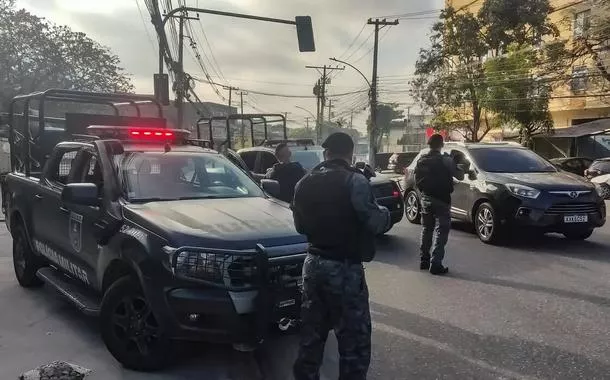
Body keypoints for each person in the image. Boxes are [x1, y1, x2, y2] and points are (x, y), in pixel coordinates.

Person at [291, 132, 391, 380]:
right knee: (354, 343)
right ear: (350, 153)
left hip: (312, 266)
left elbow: (300, 227)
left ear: (326, 154)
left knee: (311, 338)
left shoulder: (304, 183)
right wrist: (385, 211)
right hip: (344, 269)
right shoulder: (355, 181)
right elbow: (375, 222)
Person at [414, 134, 466, 275]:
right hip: (442, 200)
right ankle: (435, 264)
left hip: (426, 198)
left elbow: (416, 179)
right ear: (441, 144)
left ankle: (424, 260)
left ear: (429, 144)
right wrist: (458, 164)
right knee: (441, 231)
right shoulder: (446, 160)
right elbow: (460, 176)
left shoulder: (421, 160)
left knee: (426, 229)